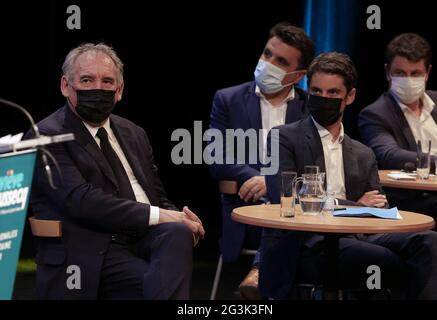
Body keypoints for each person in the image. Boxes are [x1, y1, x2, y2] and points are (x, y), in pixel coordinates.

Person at [260, 52, 437, 299]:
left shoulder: (363, 152)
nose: (323, 99)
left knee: (430, 242)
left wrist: (363, 209)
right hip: (309, 242)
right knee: (389, 262)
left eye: (332, 93)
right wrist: (356, 205)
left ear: (350, 97)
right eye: (316, 91)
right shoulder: (283, 138)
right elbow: (287, 198)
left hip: (360, 236)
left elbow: (379, 209)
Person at [27, 43, 205, 300]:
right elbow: (82, 202)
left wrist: (181, 217)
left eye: (107, 81)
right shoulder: (46, 136)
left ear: (119, 90)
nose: (98, 88)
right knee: (157, 286)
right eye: (87, 80)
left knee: (178, 233)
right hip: (92, 246)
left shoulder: (133, 133)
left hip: (144, 237)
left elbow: (155, 194)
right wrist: (164, 216)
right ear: (66, 86)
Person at [209, 22, 314, 298]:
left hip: (297, 211)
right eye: (267, 54)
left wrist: (274, 183)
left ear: (298, 75)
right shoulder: (228, 99)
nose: (268, 63)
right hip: (248, 207)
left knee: (287, 209)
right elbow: (215, 156)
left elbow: (317, 162)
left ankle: (259, 273)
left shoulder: (310, 109)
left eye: (280, 61)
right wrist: (257, 178)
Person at [358, 33, 437, 216]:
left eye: (415, 73)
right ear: (387, 72)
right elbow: (389, 154)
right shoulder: (375, 114)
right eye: (400, 73)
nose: (408, 80)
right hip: (415, 201)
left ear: (428, 73)